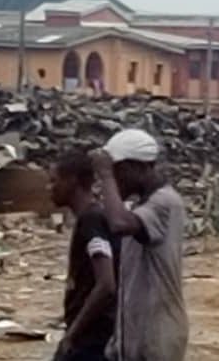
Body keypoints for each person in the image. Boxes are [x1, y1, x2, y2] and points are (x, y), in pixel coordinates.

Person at [91, 129, 188, 361]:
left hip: (157, 334)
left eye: (118, 173)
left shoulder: (164, 202)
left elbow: (118, 223)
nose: (115, 180)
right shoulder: (144, 206)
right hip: (139, 332)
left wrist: (105, 175)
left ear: (137, 168)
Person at [49, 151, 119, 361]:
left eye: (54, 181)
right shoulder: (92, 217)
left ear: (72, 181)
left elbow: (106, 284)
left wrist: (72, 335)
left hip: (92, 338)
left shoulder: (91, 220)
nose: (48, 188)